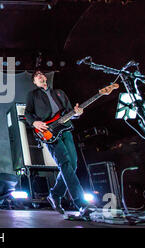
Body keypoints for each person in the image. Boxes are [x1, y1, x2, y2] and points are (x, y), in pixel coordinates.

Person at [25, 69, 93, 216]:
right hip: (49, 132)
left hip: (66, 130)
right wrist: (35, 122)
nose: (41, 76)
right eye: (37, 76)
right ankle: (81, 204)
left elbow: (70, 112)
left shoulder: (59, 93)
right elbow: (27, 113)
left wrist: (77, 112)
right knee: (66, 164)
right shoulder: (33, 95)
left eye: (42, 74)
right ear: (34, 82)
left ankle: (55, 195)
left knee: (73, 164)